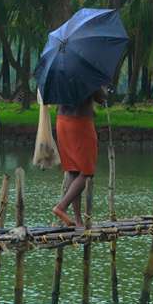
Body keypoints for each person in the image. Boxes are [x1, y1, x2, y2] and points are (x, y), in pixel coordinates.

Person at [52, 88, 107, 227]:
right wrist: (103, 87)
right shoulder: (87, 75)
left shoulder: (62, 73)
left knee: (73, 170)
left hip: (62, 121)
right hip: (80, 123)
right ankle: (61, 207)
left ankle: (77, 220)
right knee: (87, 172)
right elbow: (101, 98)